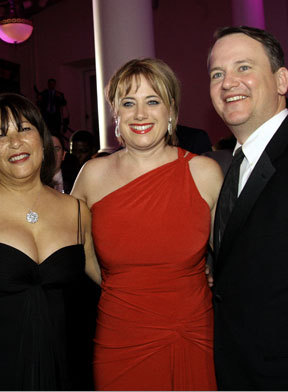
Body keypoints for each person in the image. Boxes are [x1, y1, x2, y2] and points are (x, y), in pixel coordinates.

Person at [71, 58, 223, 390]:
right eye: (129, 103)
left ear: (171, 112)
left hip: (192, 334)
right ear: (116, 114)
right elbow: (77, 252)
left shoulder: (204, 173)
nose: (140, 114)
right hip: (119, 336)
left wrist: (208, 270)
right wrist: (122, 289)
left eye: (152, 101)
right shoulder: (92, 175)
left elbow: (234, 258)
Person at [0, 92, 101, 390]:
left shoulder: (77, 211)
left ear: (42, 139)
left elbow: (110, 282)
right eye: (0, 135)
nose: (15, 142)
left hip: (66, 371)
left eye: (24, 129)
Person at [208, 26, 288, 390]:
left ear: (281, 80)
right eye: (217, 74)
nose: (228, 83)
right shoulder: (231, 167)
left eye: (244, 67)